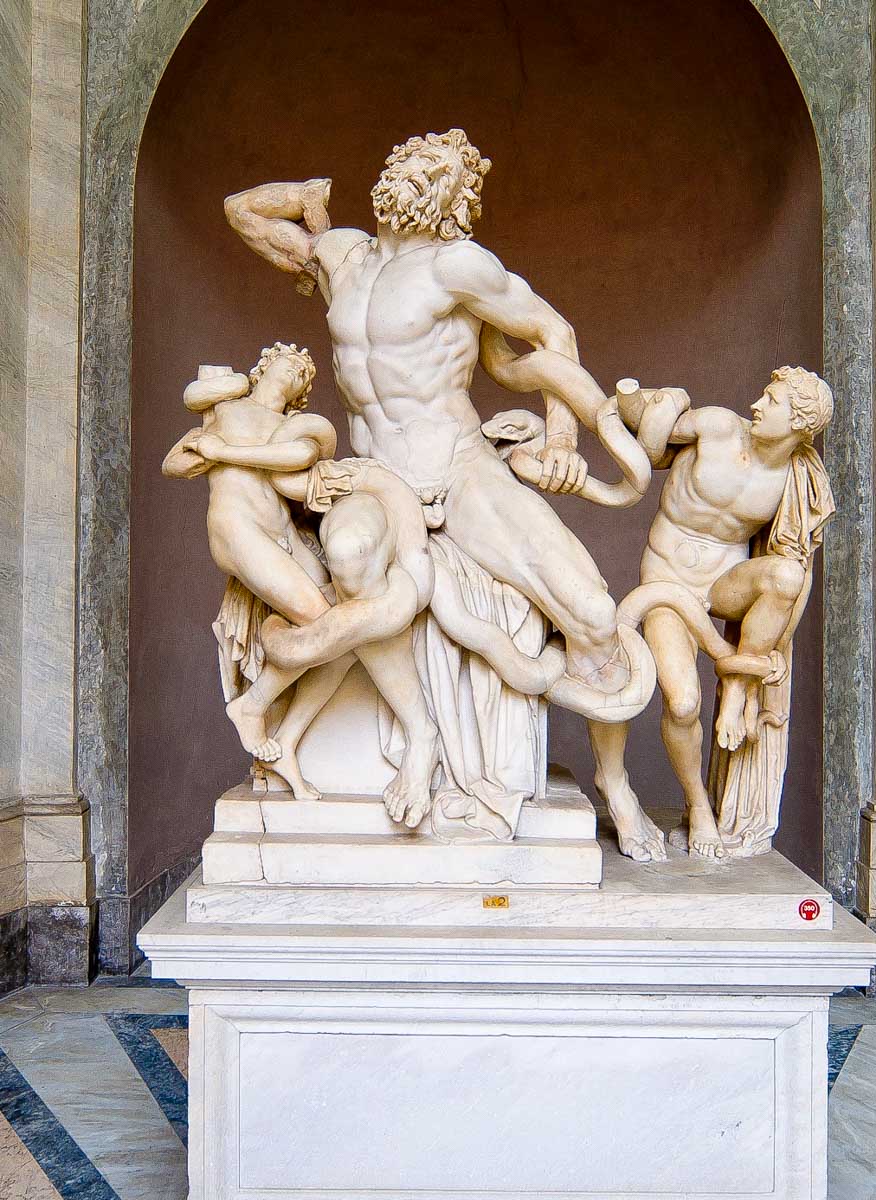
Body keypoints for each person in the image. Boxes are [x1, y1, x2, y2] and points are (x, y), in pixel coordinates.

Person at [223, 129, 652, 718]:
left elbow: (554, 332)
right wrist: (305, 195)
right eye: (413, 159)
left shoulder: (458, 266)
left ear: (457, 202)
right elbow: (242, 212)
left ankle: (602, 769)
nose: (421, 172)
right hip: (375, 476)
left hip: (458, 469)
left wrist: (560, 438)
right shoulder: (341, 256)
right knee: (347, 557)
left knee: (594, 615)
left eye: (440, 170)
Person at [162, 343, 439, 826]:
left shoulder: (298, 429)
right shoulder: (225, 408)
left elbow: (297, 460)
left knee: (348, 630)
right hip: (238, 528)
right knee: (327, 623)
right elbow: (175, 465)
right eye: (290, 364)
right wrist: (207, 445)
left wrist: (225, 452)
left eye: (303, 375)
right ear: (264, 364)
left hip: (286, 537)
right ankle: (252, 706)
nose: (296, 373)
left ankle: (286, 740)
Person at [589, 367, 835, 861]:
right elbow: (645, 438)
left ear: (798, 424)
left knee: (785, 576)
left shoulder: (795, 478)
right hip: (666, 584)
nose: (758, 405)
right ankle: (697, 805)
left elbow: (798, 567)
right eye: (764, 394)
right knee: (682, 704)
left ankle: (738, 683)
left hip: (723, 586)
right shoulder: (717, 426)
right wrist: (656, 398)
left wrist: (774, 650)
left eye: (773, 401)